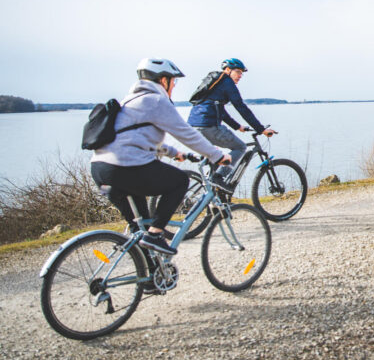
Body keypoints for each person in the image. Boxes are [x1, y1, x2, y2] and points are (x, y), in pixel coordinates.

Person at [91, 58, 231, 256]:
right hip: (124, 167)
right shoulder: (156, 100)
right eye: (174, 81)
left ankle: (149, 271)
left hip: (101, 169)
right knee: (180, 181)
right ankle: (156, 235)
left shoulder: (129, 101)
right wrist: (217, 155)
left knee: (141, 230)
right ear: (163, 80)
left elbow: (138, 141)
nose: (174, 85)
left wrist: (175, 153)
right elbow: (186, 133)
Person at [187, 58, 276, 183]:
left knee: (217, 156)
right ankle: (218, 178)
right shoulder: (227, 82)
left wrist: (238, 126)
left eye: (242, 73)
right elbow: (241, 107)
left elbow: (221, 111)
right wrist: (261, 129)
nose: (240, 76)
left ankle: (212, 190)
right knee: (240, 147)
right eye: (238, 72)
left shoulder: (215, 84)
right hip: (208, 126)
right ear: (228, 70)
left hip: (193, 126)